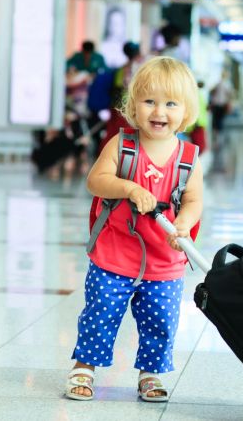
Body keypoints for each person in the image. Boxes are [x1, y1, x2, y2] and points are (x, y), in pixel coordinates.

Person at [65, 56, 203, 403]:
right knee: (100, 314)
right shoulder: (123, 145)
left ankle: (151, 373)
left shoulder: (188, 156)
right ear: (133, 106)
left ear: (186, 110)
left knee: (161, 321)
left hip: (164, 260)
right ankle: (85, 367)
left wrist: (183, 224)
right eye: (149, 101)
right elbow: (96, 181)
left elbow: (193, 200)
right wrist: (129, 188)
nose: (160, 111)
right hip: (114, 254)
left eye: (171, 103)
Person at [209, 70, 234, 135]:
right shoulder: (227, 84)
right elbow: (230, 95)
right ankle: (218, 135)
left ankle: (215, 134)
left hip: (216, 104)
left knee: (216, 120)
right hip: (222, 104)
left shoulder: (218, 83)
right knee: (220, 120)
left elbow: (212, 92)